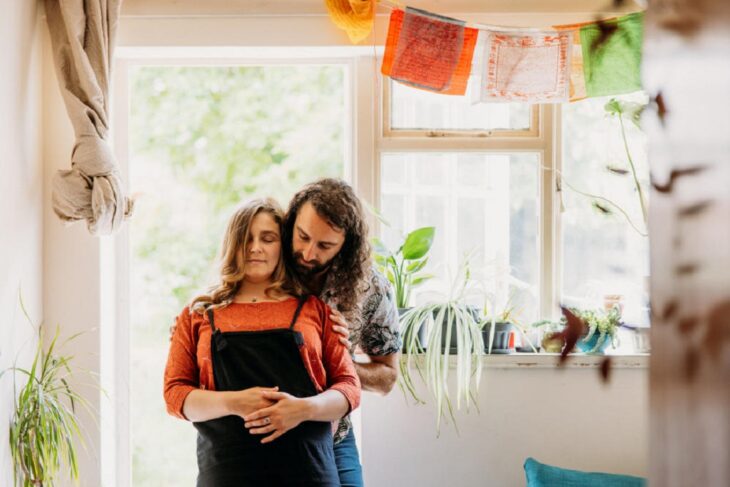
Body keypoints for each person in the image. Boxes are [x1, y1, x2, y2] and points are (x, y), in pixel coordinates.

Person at [163, 198, 360, 486]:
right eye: (246, 239)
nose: (255, 248)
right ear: (232, 244)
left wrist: (303, 409)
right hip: (227, 474)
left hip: (309, 473)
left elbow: (349, 389)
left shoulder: (316, 310)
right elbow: (175, 396)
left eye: (268, 238)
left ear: (282, 245)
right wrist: (235, 402)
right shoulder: (197, 316)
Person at [282, 178, 401, 487]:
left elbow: (388, 377)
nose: (308, 253)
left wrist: (336, 363)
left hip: (334, 435)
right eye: (302, 236)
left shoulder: (371, 288)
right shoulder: (269, 265)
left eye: (324, 246)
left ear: (346, 245)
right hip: (265, 431)